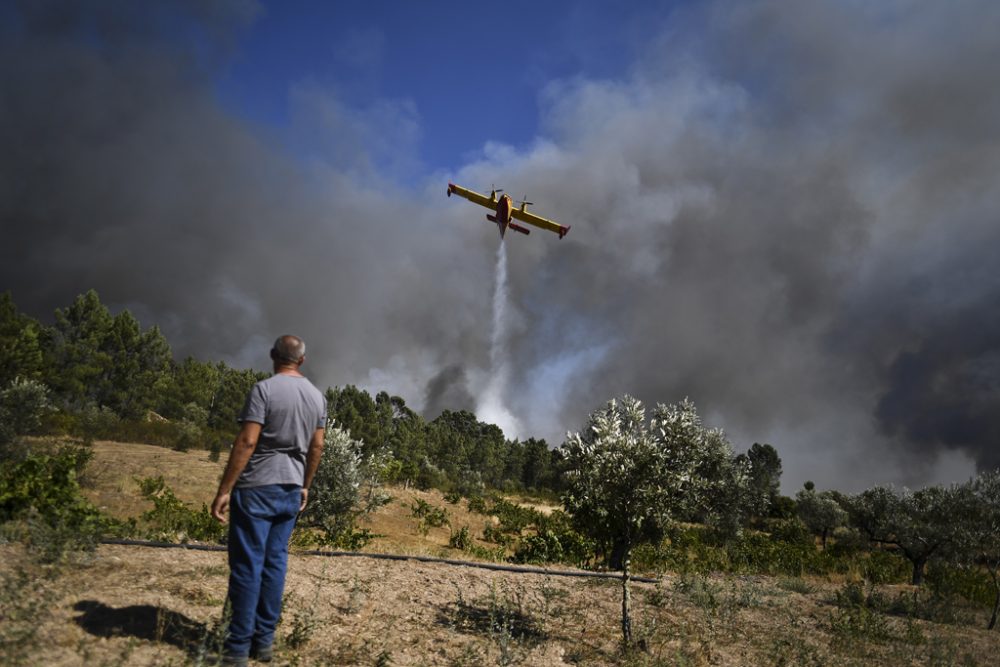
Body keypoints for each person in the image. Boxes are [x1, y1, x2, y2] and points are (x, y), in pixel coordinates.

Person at [211, 335, 326, 666]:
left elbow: (248, 441)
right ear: (302, 360)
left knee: (248, 565)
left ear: (273, 355)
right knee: (275, 564)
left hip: (257, 487)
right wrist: (305, 485)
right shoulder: (317, 397)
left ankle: (236, 649)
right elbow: (317, 447)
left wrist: (224, 489)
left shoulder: (263, 390)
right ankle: (263, 643)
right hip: (290, 489)